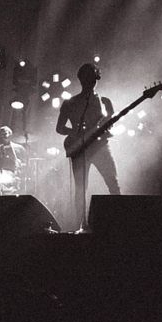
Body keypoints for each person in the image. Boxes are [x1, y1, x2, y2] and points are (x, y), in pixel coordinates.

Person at [55, 63, 120, 232]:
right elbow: (59, 128)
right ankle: (80, 225)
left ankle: (122, 218)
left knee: (112, 182)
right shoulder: (70, 103)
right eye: (87, 77)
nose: (90, 80)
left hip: (100, 146)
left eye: (92, 76)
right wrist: (75, 133)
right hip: (81, 148)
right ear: (82, 79)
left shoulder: (105, 102)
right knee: (81, 188)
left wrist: (105, 127)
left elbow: (110, 124)